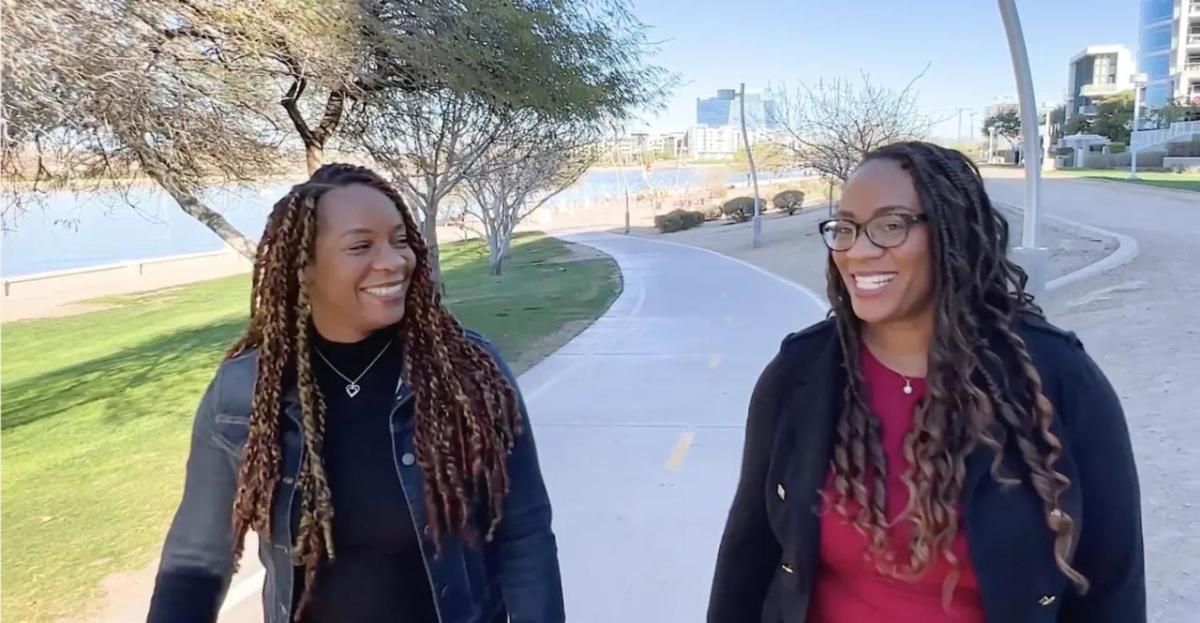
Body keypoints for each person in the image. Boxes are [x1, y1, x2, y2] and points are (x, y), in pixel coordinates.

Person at [708, 142, 1144, 623]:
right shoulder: (799, 374)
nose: (859, 250)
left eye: (891, 225)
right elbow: (746, 558)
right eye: (846, 227)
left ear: (952, 233)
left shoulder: (1056, 379)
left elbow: (1114, 583)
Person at [147, 164, 564, 623]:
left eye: (400, 240)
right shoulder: (244, 392)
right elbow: (197, 559)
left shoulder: (468, 374)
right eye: (361, 246)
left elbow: (524, 537)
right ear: (304, 268)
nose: (393, 261)